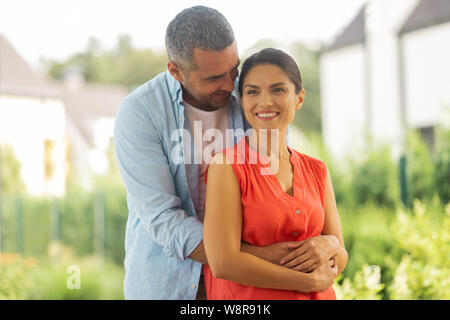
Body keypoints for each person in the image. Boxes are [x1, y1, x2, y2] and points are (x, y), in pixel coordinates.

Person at [113, 6, 319, 300]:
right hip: (170, 282)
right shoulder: (141, 112)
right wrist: (255, 257)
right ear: (176, 71)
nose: (229, 85)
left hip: (247, 287)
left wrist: (329, 244)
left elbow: (285, 178)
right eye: (213, 78)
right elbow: (164, 219)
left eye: (233, 70)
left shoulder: (248, 94)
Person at [202, 48, 348, 300]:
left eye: (278, 89)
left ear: (299, 98)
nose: (265, 101)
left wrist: (331, 246)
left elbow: (341, 254)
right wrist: (307, 281)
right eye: (253, 92)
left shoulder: (317, 170)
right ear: (243, 100)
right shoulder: (226, 165)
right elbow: (223, 262)